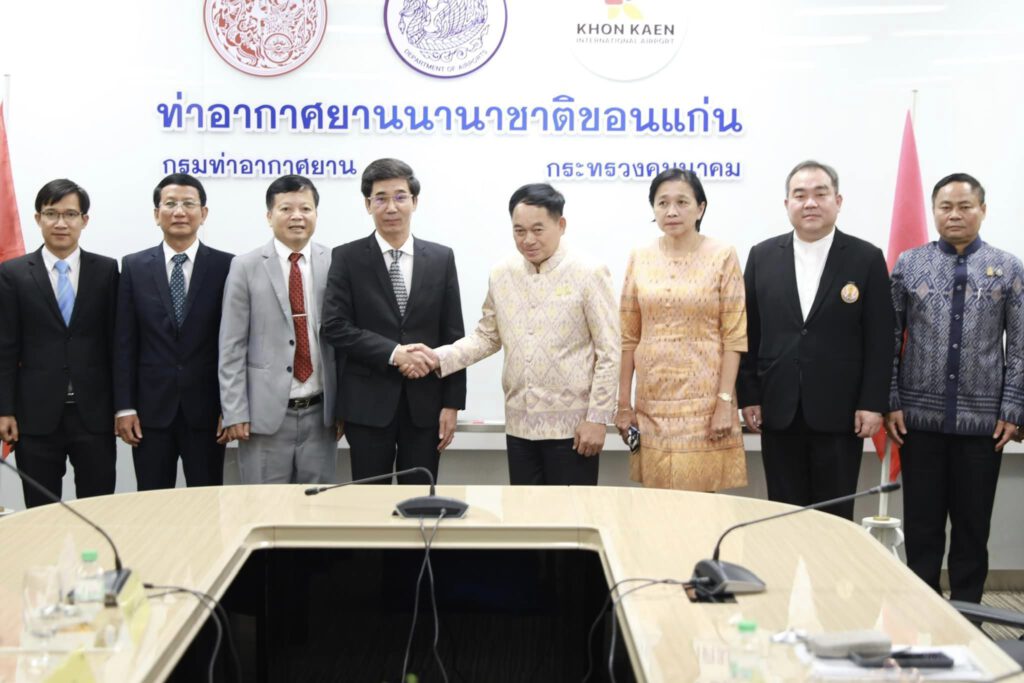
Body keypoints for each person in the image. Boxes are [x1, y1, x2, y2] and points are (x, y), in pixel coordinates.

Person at [408, 183, 620, 486]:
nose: (528, 239)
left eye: (537, 229)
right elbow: (487, 336)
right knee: (524, 511)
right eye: (519, 231)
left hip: (574, 429)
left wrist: (597, 418)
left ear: (561, 225)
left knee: (570, 512)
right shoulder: (502, 273)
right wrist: (436, 357)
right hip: (519, 425)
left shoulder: (589, 272)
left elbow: (609, 351)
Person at [885, 173, 1024, 603]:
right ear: (934, 211)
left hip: (983, 426)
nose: (955, 214)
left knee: (972, 529)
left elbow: (1020, 344)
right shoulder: (909, 264)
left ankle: (969, 616)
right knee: (922, 528)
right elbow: (889, 337)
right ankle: (923, 613)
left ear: (983, 210)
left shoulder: (1009, 267)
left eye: (965, 206)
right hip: (917, 422)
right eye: (946, 207)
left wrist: (1013, 408)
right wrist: (890, 399)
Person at [737, 160, 893, 519]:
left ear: (837, 201)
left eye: (820, 194)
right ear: (787, 204)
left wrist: (872, 403)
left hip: (840, 413)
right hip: (778, 410)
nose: (810, 203)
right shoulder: (762, 256)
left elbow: (880, 339)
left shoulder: (866, 258)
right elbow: (749, 332)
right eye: (800, 195)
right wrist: (750, 395)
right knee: (785, 514)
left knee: (835, 517)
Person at [321, 158, 465, 485]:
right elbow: (336, 327)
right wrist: (395, 353)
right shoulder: (346, 257)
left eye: (400, 197)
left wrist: (452, 404)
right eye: (381, 198)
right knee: (370, 502)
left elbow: (453, 336)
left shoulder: (441, 258)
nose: (391, 207)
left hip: (426, 407)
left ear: (415, 201)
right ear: (367, 204)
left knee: (420, 501)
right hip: (367, 407)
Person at [614, 168, 747, 491]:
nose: (671, 211)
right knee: (657, 504)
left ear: (700, 208)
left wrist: (724, 403)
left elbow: (734, 336)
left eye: (682, 202)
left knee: (700, 507)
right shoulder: (640, 257)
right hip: (652, 403)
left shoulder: (722, 255)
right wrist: (623, 405)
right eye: (662, 203)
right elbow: (628, 337)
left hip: (705, 405)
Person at [0, 179, 119, 507]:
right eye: (51, 214)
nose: (61, 223)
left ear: (84, 220)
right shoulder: (13, 273)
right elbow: (5, 348)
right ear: (38, 218)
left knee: (98, 508)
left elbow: (117, 345)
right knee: (41, 511)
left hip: (93, 414)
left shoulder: (106, 270)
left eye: (70, 214)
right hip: (35, 416)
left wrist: (122, 406)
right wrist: (4, 409)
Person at [219, 175, 341, 484]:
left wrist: (343, 408)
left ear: (316, 214)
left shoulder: (335, 262)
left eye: (306, 209)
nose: (297, 216)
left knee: (317, 506)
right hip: (264, 417)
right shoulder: (245, 266)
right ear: (269, 215)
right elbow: (232, 346)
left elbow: (343, 342)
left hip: (321, 415)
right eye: (286, 208)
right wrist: (235, 411)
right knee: (264, 505)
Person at [114, 173, 233, 489]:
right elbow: (124, 343)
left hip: (208, 411)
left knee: (208, 502)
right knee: (152, 502)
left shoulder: (227, 266)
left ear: (203, 213)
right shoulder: (134, 266)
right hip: (149, 413)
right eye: (170, 204)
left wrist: (230, 408)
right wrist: (125, 407)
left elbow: (233, 344)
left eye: (188, 204)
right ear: (157, 214)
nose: (179, 211)